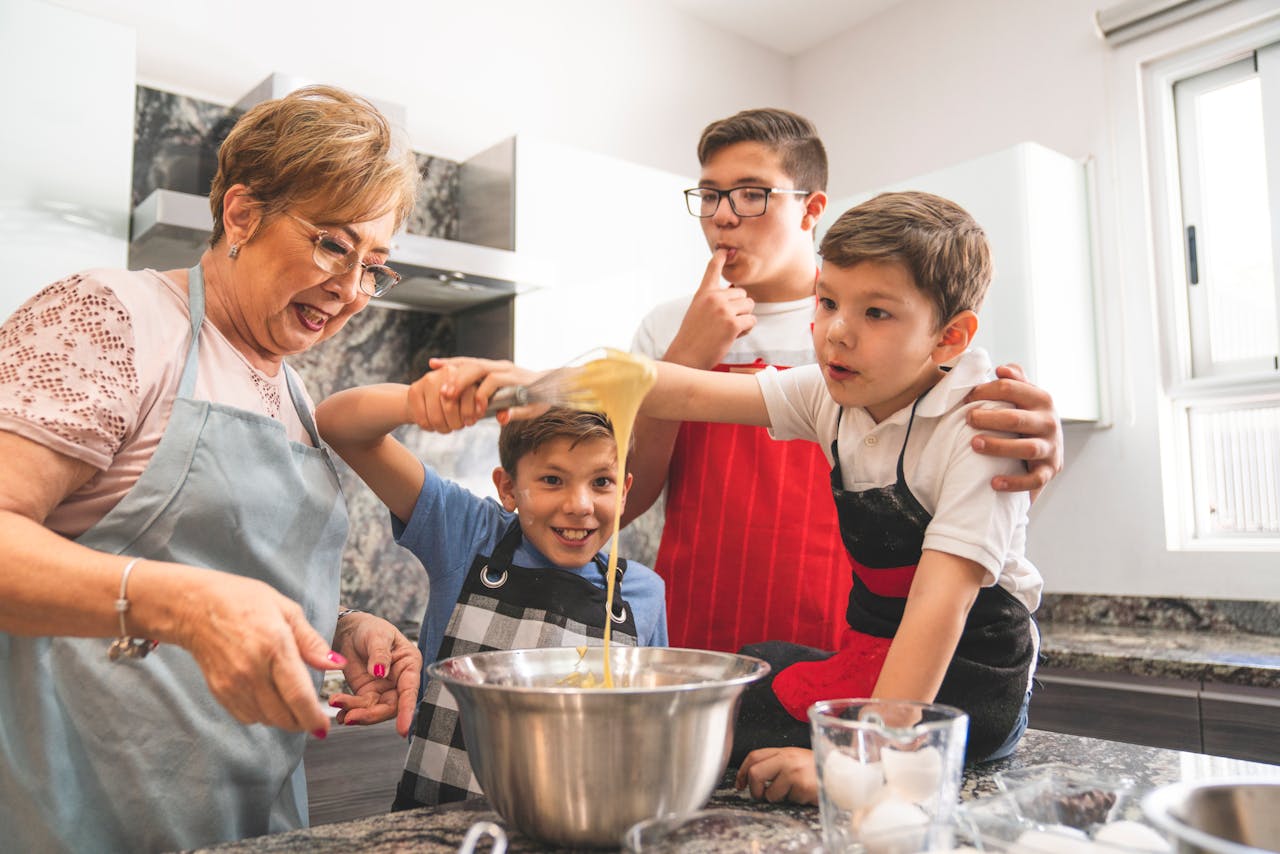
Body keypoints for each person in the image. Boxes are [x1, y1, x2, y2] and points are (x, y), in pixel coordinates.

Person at [0, 85, 424, 853]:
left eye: (376, 266)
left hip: (248, 822)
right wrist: (182, 605)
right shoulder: (116, 319)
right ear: (240, 214)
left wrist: (343, 629)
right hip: (81, 816)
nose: (355, 290)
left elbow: (227, 564)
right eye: (334, 244)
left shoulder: (292, 388)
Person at [635, 190, 1043, 805]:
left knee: (740, 730)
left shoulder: (985, 430)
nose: (837, 333)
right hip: (874, 656)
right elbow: (685, 394)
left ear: (950, 337)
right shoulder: (833, 396)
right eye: (827, 302)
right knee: (740, 680)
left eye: (877, 313)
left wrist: (855, 762)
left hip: (967, 683)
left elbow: (937, 614)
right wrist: (534, 385)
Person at [626, 108, 1062, 654]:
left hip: (857, 633)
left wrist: (1035, 438)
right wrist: (684, 356)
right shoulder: (667, 326)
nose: (723, 217)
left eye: (752, 194)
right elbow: (624, 499)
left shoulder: (890, 330)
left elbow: (964, 481)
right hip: (698, 621)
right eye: (710, 195)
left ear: (812, 209)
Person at [315, 377, 668, 808]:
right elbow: (338, 423)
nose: (580, 504)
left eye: (602, 482)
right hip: (436, 830)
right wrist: (443, 399)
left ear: (625, 490)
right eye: (552, 479)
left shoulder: (643, 595)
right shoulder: (468, 534)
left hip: (574, 832)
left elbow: (651, 740)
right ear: (507, 488)